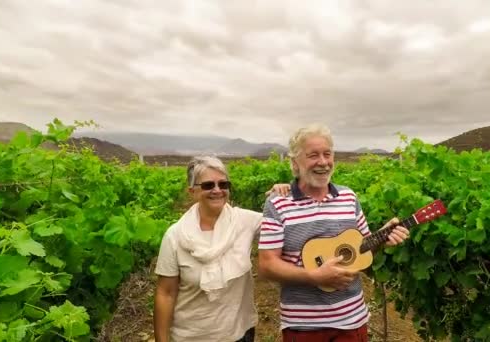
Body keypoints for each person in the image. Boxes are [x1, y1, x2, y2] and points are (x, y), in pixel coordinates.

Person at [258, 123, 410, 342]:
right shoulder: (278, 203)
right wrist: (314, 276)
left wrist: (383, 238)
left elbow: (363, 248)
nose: (322, 162)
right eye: (313, 155)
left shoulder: (349, 197)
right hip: (304, 328)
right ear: (294, 163)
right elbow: (266, 265)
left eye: (327, 154)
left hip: (353, 320)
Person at [153, 156, 289, 342]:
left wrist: (284, 194)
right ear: (192, 191)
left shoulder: (244, 221)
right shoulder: (175, 236)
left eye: (223, 184)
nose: (217, 190)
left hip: (239, 333)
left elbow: (284, 224)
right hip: (191, 337)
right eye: (208, 185)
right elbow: (165, 293)